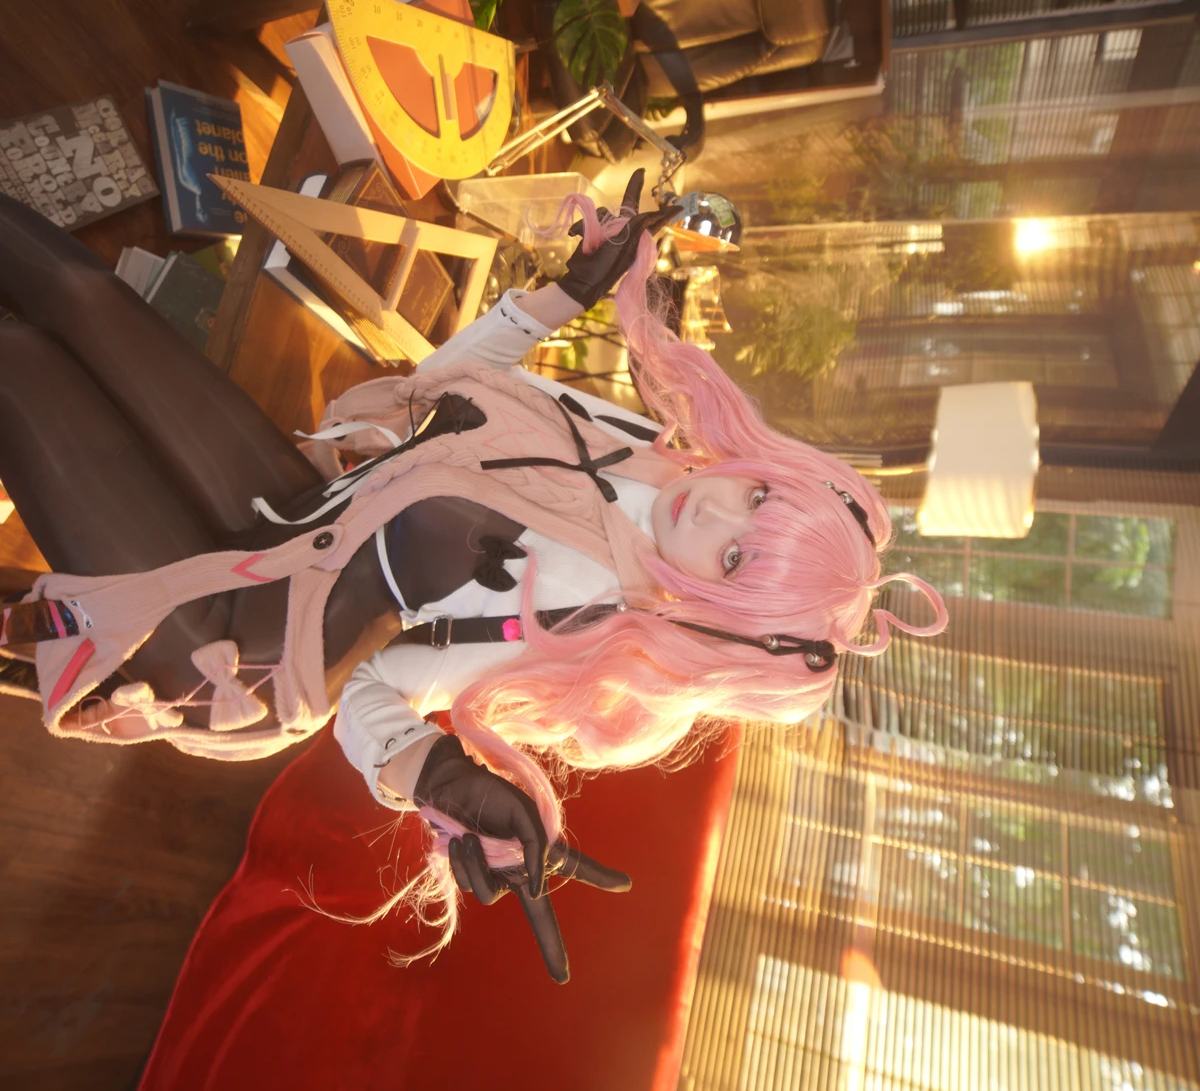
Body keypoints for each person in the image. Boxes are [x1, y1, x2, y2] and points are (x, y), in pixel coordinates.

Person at [0, 178, 946, 979]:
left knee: (20, 366)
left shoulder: (584, 622)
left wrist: (438, 775)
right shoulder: (648, 454)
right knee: (80, 295)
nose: (715, 512)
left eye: (734, 559)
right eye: (757, 497)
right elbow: (447, 395)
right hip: (291, 514)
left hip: (246, 649)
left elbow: (368, 690)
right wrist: (565, 296)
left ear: (720, 610)